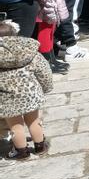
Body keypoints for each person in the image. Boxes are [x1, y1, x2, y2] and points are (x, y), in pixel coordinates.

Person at [0, 22, 53, 160]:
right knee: (34, 121)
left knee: (16, 126)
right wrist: (46, 87)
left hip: (7, 99)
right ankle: (40, 146)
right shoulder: (27, 50)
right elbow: (44, 70)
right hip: (30, 95)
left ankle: (21, 151)